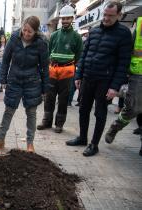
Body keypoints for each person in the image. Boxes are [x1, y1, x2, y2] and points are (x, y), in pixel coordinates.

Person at [66, 1, 132, 156]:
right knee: (83, 109)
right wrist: (79, 75)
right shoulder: (94, 31)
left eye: (111, 16)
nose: (106, 18)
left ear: (119, 15)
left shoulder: (124, 34)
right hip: (88, 77)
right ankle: (82, 138)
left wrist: (114, 87)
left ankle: (94, 144)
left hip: (105, 81)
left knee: (100, 113)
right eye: (105, 15)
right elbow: (84, 55)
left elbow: (123, 63)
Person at [0, 16, 49, 153]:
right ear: (22, 27)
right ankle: (0, 140)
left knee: (31, 113)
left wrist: (45, 88)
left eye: (30, 32)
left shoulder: (41, 43)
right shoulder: (14, 39)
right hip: (14, 79)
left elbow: (45, 67)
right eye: (25, 30)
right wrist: (3, 79)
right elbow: (5, 60)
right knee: (9, 111)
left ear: (36, 32)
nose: (26, 34)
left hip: (32, 82)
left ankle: (30, 144)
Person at [37, 5, 83, 133]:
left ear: (72, 18)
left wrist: (74, 69)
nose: (65, 21)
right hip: (53, 69)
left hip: (67, 71)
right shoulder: (54, 35)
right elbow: (49, 52)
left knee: (63, 99)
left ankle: (59, 124)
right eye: (63, 18)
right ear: (60, 19)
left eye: (68, 18)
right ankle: (46, 122)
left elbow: (79, 56)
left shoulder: (76, 37)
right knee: (49, 97)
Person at [104, 16, 142, 156]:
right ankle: (115, 126)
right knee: (133, 108)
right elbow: (127, 52)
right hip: (138, 73)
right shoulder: (140, 24)